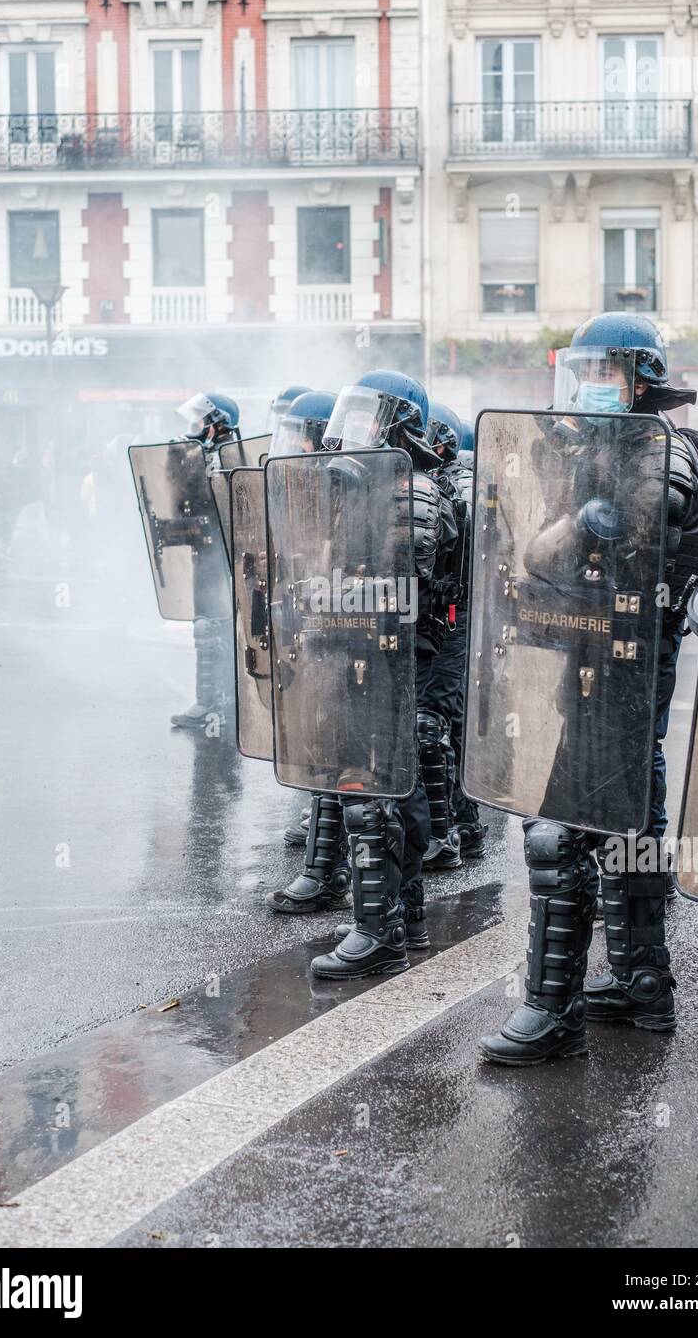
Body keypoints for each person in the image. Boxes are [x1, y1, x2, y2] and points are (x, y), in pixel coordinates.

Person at [474, 313, 698, 1065]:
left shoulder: (659, 454)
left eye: (604, 373)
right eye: (583, 371)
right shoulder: (602, 450)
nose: (589, 386)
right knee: (625, 830)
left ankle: (552, 1012)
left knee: (561, 830)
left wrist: (580, 524)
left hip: (625, 668)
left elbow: (647, 525)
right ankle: (644, 985)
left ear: (641, 379)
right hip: (595, 664)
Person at [267, 371, 459, 976]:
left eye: (366, 416)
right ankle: (400, 919)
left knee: (373, 793)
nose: (350, 431)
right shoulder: (365, 487)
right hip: (363, 656)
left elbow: (404, 586)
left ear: (398, 423)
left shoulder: (415, 492)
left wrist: (329, 594)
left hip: (398, 662)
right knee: (379, 789)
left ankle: (380, 931)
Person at [419, 404, 487, 868]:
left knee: (433, 721)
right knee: (449, 722)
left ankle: (445, 836)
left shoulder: (459, 482)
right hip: (440, 615)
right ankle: (465, 824)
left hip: (454, 615)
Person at [170, 393, 241, 731]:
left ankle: (220, 703)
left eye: (200, 420)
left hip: (221, 556)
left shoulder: (228, 458)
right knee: (206, 628)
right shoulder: (201, 455)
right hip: (205, 553)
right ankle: (212, 700)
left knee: (216, 628)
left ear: (216, 425)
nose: (193, 426)